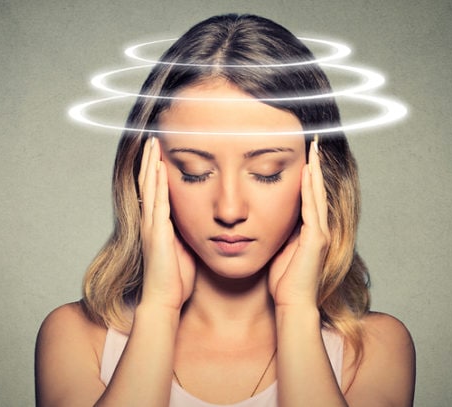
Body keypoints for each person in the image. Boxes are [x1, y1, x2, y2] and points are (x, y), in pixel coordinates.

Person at [36, 14, 415, 407]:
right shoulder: (78, 337)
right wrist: (160, 308)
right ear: (147, 173)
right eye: (194, 172)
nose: (230, 209)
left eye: (266, 173)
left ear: (320, 174)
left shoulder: (373, 350)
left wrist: (296, 312)